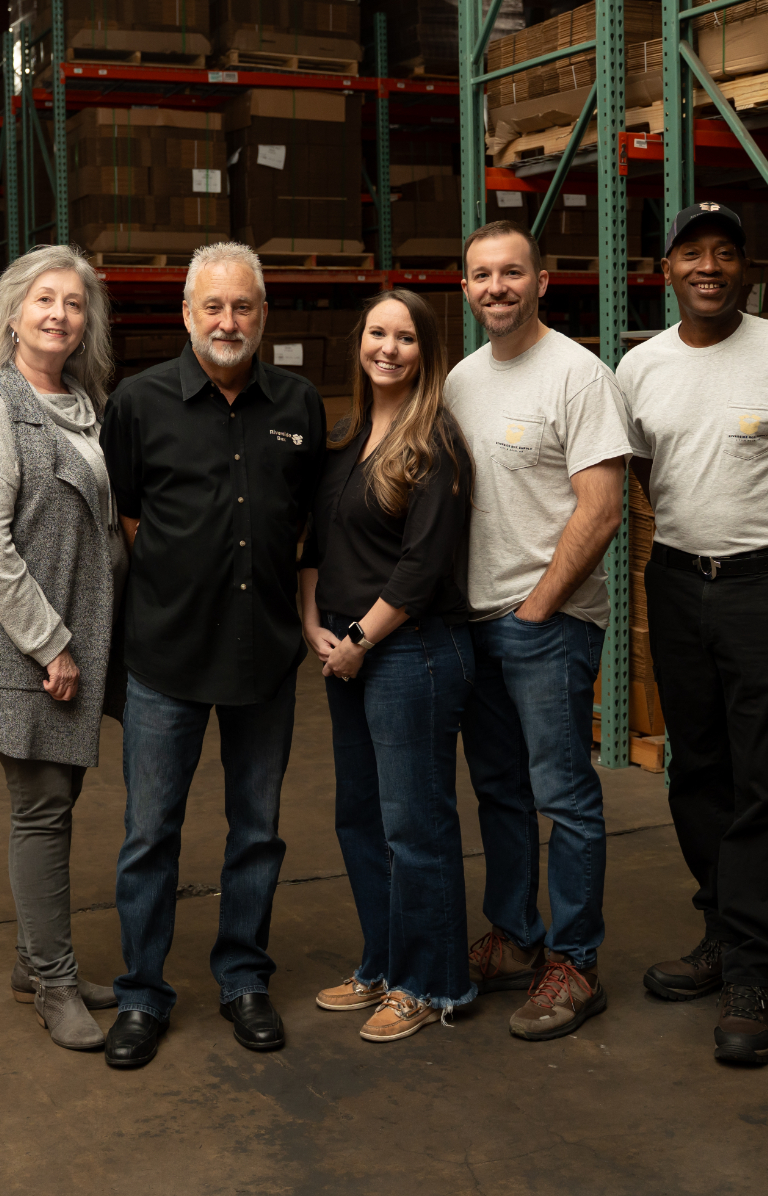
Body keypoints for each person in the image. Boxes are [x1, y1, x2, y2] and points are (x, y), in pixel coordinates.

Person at [615, 202, 768, 1067]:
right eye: (691, 253)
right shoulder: (640, 366)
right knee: (698, 770)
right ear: (667, 270)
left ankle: (753, 969)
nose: (708, 266)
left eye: (725, 253)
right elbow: (644, 471)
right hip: (678, 585)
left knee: (763, 777)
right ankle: (721, 930)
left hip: (766, 592)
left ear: (745, 271)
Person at [97, 242, 326, 1070]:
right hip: (165, 657)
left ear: (263, 315)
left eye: (244, 307)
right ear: (187, 314)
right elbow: (124, 519)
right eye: (213, 307)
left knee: (258, 831)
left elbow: (303, 523)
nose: (228, 321)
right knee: (150, 834)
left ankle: (242, 980)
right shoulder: (137, 401)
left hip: (263, 658)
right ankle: (141, 994)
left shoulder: (298, 401)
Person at [0, 245, 128, 1053]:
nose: (59, 314)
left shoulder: (82, 400)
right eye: (43, 300)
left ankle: (32, 959)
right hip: (22, 643)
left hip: (73, 635)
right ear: (12, 314)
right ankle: (52, 982)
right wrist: (51, 645)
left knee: (58, 800)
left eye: (74, 304)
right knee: (43, 810)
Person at [444, 220, 631, 1041]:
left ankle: (576, 961)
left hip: (543, 628)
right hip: (471, 627)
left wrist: (538, 609)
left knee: (564, 797)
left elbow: (603, 507)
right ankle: (518, 939)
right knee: (500, 794)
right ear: (465, 287)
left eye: (512, 273)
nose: (498, 288)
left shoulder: (579, 376)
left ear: (543, 281)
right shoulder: (457, 380)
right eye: (483, 275)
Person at [300, 289, 476, 1043]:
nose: (388, 348)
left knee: (416, 825)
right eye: (377, 332)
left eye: (405, 337)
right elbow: (317, 547)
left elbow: (421, 567)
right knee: (361, 820)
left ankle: (434, 983)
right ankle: (381, 963)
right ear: (360, 342)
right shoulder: (344, 439)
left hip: (407, 652)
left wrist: (359, 642)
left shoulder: (434, 442)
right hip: (343, 648)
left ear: (424, 352)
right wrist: (312, 625)